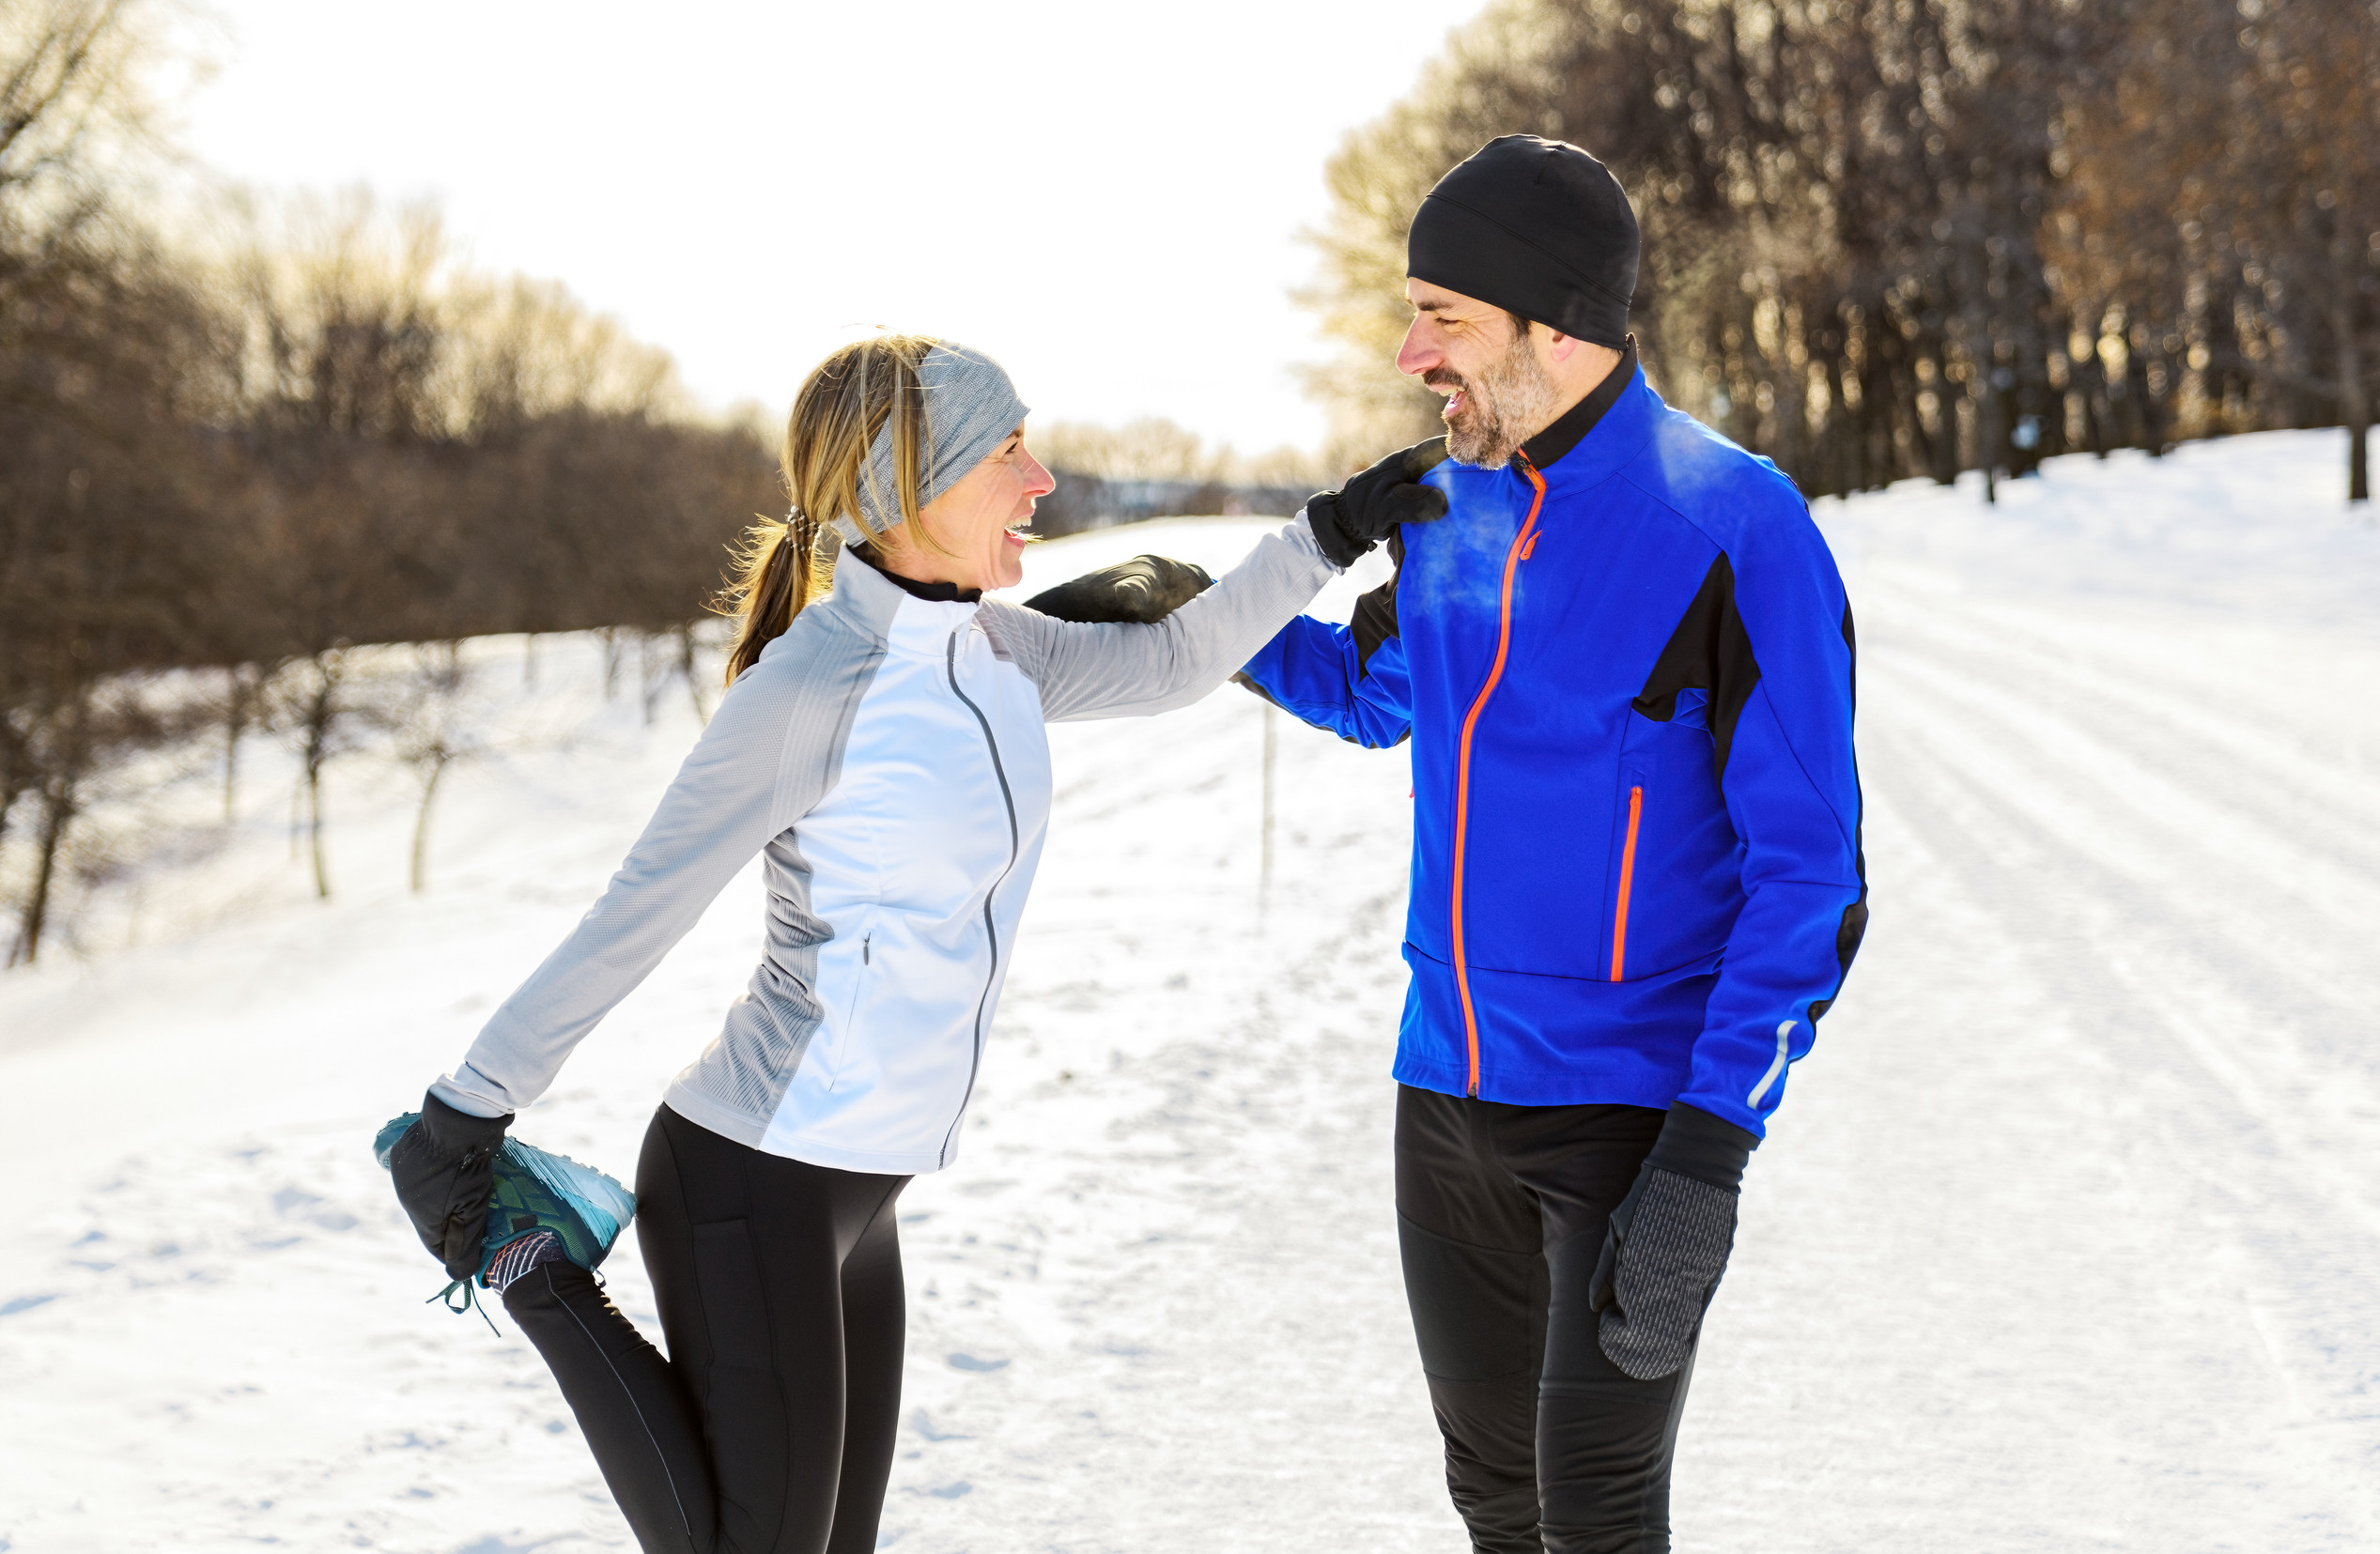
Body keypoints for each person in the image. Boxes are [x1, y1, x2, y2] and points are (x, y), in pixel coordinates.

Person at [381, 334, 1417, 1554]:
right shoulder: (812, 691)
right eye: (1007, 452)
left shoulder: (994, 652)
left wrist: (1332, 532)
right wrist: (467, 1113)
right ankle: (533, 1265)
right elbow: (636, 910)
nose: (1040, 482)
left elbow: (1181, 661)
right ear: (906, 487)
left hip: (859, 1197)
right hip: (747, 1178)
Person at [1237, 137, 1867, 1553]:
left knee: (1593, 1516)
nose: (1411, 353)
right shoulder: (1446, 507)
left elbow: (1812, 878)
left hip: (1625, 1127)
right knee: (1496, 1505)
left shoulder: (1731, 526)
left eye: (1443, 316)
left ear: (1555, 325)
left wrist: (1707, 1155)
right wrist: (1206, 625)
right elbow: (1377, 693)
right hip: (1442, 1103)